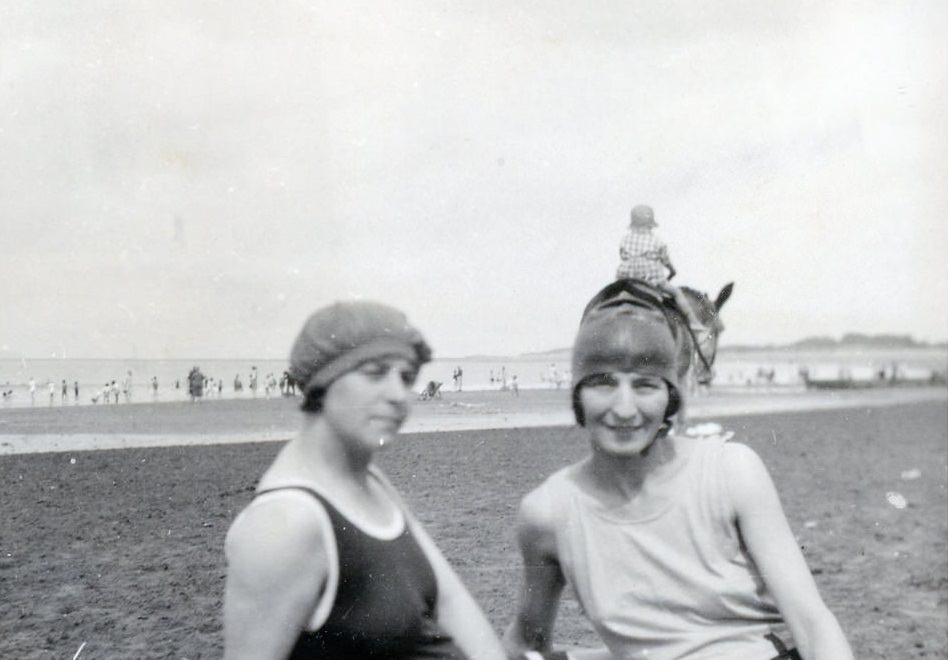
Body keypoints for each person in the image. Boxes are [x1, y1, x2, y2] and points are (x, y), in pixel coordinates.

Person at [504, 287, 854, 660]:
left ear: (671, 396)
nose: (625, 409)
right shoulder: (549, 512)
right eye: (603, 382)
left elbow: (813, 625)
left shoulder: (730, 472)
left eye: (645, 385)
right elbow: (527, 642)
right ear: (577, 394)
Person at [223, 301, 506, 660]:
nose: (397, 395)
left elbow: (450, 601)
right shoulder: (285, 524)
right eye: (375, 373)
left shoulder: (369, 480)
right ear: (323, 382)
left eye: (406, 378)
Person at [615, 204, 704, 333]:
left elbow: (623, 256)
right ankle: (693, 322)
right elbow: (665, 260)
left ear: (633, 225)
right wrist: (672, 270)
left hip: (627, 276)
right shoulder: (657, 241)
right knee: (676, 293)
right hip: (651, 277)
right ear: (650, 225)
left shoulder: (625, 239)